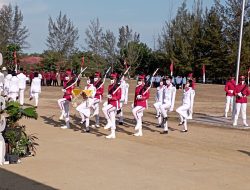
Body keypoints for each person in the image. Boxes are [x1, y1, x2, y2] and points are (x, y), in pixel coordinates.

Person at [102, 73, 121, 139]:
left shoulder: (118, 87)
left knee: (104, 109)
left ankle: (108, 122)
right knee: (113, 119)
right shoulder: (110, 86)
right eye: (111, 79)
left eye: (113, 79)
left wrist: (111, 97)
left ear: (116, 79)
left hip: (114, 104)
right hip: (110, 103)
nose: (111, 80)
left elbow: (118, 97)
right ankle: (113, 134)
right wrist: (109, 97)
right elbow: (110, 95)